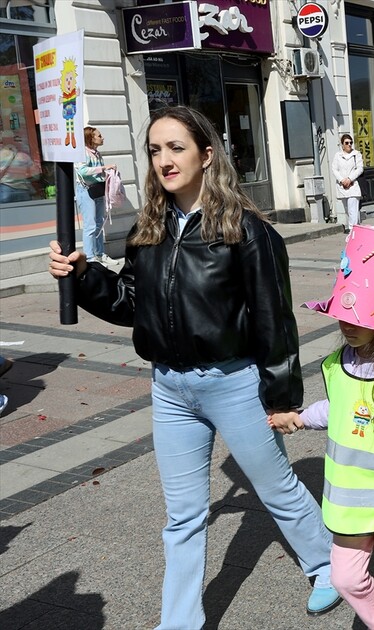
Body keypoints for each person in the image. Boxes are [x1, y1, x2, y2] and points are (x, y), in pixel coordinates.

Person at [47, 106, 338, 627]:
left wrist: (282, 397)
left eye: (176, 147)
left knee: (276, 488)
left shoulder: (246, 231)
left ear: (207, 155)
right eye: (155, 150)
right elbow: (128, 303)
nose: (164, 160)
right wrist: (84, 274)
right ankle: (180, 620)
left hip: (234, 384)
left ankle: (324, 565)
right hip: (170, 389)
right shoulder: (149, 228)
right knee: (182, 517)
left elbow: (275, 317)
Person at [268, 226, 374, 630]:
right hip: (347, 504)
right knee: (346, 578)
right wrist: (299, 417)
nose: (346, 325)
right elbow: (338, 409)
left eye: (357, 317)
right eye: (341, 316)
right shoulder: (337, 365)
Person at [75, 127, 117, 264]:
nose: (102, 137)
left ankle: (100, 254)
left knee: (99, 224)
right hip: (86, 190)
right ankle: (90, 257)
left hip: (97, 189)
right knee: (90, 226)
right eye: (99, 135)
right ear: (90, 138)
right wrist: (104, 168)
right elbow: (82, 170)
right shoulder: (82, 153)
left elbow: (97, 173)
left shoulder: (97, 153)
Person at [332, 133, 364, 233]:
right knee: (347, 210)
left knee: (353, 209)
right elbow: (334, 169)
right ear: (342, 144)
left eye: (351, 142)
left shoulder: (356, 154)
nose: (349, 144)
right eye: (346, 143)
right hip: (342, 187)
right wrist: (342, 180)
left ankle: (352, 230)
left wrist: (350, 179)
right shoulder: (338, 156)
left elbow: (360, 169)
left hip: (353, 185)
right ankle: (357, 229)